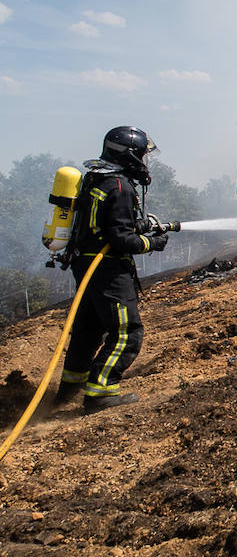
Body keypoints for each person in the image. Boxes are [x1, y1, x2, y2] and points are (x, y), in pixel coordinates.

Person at [54, 126, 169, 414]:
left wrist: (138, 225)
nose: (145, 162)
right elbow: (120, 240)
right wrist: (151, 242)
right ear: (130, 156)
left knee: (89, 329)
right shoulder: (120, 186)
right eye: (142, 156)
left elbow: (103, 223)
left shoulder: (97, 178)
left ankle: (69, 388)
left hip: (86, 265)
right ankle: (100, 393)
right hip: (107, 270)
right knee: (126, 331)